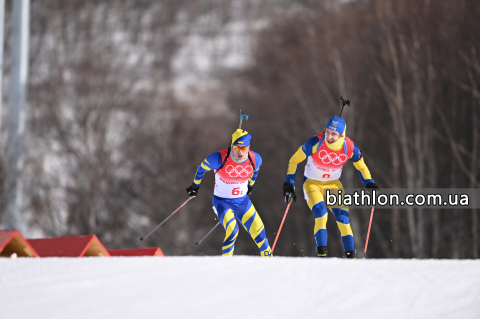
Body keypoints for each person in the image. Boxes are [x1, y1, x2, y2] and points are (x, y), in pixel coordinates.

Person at [283, 115, 379, 259]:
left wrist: (369, 183)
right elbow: (293, 160)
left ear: (342, 135)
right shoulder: (315, 142)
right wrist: (289, 184)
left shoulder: (349, 147)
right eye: (327, 132)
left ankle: (351, 258)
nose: (329, 137)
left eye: (334, 134)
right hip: (312, 183)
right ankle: (322, 256)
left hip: (333, 185)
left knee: (343, 218)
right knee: (321, 213)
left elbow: (361, 166)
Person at [186, 129, 272, 257]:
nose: (240, 151)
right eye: (237, 147)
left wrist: (250, 186)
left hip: (242, 202)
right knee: (232, 230)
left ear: (249, 147)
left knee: (260, 232)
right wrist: (195, 186)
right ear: (231, 146)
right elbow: (201, 168)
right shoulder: (218, 158)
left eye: (244, 148)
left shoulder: (255, 159)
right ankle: (226, 266)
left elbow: (255, 171)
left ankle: (271, 265)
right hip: (222, 202)